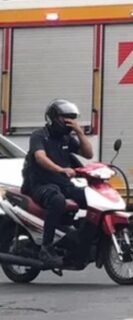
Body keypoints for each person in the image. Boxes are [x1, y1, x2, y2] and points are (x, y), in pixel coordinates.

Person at [22, 100, 93, 267]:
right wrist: (61, 169)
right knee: (57, 200)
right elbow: (40, 157)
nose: (69, 121)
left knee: (91, 197)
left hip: (62, 184)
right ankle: (46, 248)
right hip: (39, 184)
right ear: (53, 118)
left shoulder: (67, 138)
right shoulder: (39, 135)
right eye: (65, 118)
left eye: (72, 118)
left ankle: (83, 240)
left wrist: (80, 133)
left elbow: (88, 154)